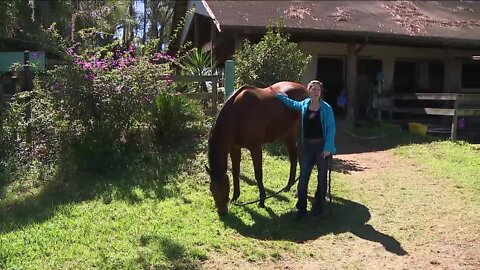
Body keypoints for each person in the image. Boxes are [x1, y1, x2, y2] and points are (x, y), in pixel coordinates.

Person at [276, 80, 336, 220]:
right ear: (309, 91)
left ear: (321, 92)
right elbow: (292, 104)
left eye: (318, 89)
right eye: (313, 89)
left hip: (321, 147)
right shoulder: (304, 104)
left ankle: (319, 206)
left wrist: (328, 148)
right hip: (307, 147)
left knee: (322, 178)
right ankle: (301, 209)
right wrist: (279, 96)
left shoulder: (326, 109)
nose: (315, 92)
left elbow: (331, 129)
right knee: (303, 178)